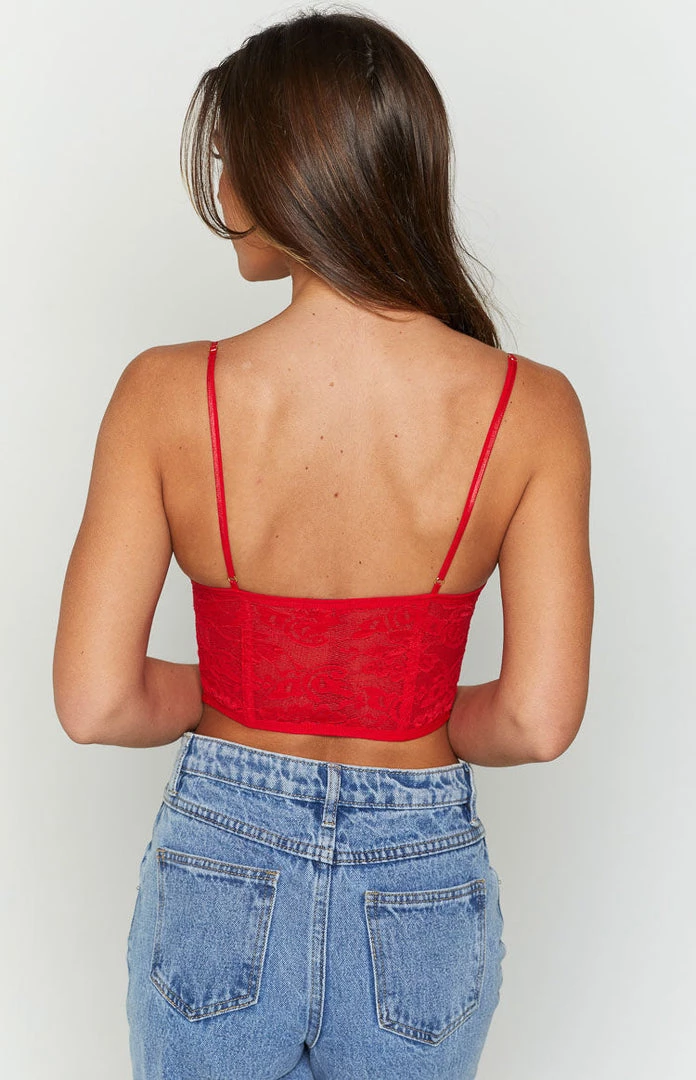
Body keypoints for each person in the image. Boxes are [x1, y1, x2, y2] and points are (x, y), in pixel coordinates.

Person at [52, 7, 593, 1078]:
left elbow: (96, 703)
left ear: (293, 168)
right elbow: (536, 720)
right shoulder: (532, 409)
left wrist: (266, 680)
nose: (223, 195)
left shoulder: (165, 395)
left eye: (230, 160)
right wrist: (387, 692)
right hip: (420, 884)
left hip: (220, 862)